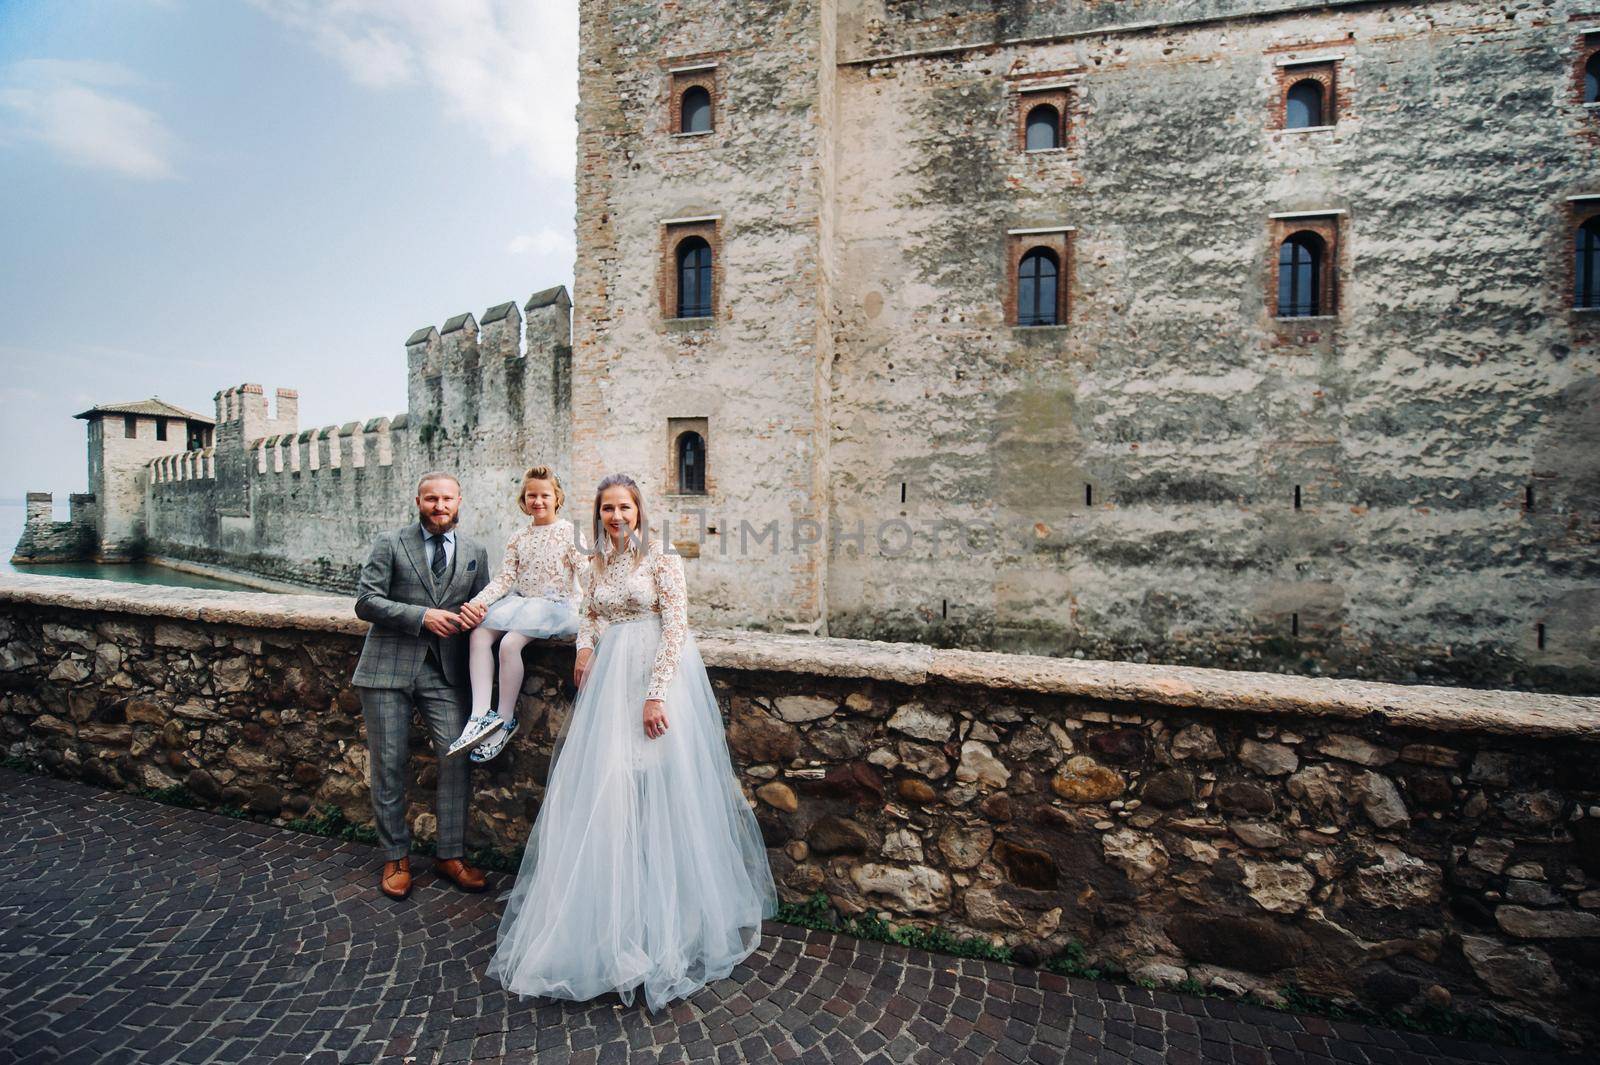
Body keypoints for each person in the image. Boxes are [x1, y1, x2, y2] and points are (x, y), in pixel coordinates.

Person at [487, 473, 777, 1011]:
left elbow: (676, 626)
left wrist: (656, 695)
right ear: (598, 514)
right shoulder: (596, 559)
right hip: (607, 684)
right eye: (607, 509)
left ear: (640, 510)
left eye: (624, 508)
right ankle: (616, 910)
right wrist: (582, 649)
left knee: (661, 789)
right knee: (611, 787)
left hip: (656, 682)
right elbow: (591, 613)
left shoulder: (662, 557)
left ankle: (666, 913)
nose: (616, 517)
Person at [351, 471, 491, 901]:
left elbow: (486, 602)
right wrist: (421, 617)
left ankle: (450, 855)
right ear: (418, 500)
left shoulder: (474, 550)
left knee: (456, 756)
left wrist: (477, 614)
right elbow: (366, 601)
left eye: (447, 499)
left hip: (444, 671)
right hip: (386, 668)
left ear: (459, 501)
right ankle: (395, 857)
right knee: (389, 763)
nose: (439, 506)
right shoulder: (389, 543)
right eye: (432, 498)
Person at [448, 465, 584, 764]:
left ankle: (506, 719)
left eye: (544, 495)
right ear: (524, 499)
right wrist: (478, 603)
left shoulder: (570, 533)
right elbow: (504, 579)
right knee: (480, 633)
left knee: (510, 644)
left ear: (557, 498)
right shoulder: (518, 537)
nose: (538, 501)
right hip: (521, 601)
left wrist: (597, 613)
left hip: (554, 606)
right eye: (531, 495)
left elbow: (586, 574)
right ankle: (480, 714)